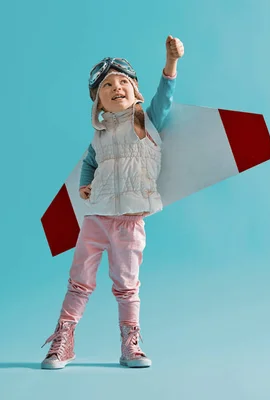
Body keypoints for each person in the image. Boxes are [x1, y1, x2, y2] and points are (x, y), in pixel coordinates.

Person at [41, 35, 185, 369]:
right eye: (107, 85)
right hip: (96, 218)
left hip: (130, 221)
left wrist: (171, 63)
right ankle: (64, 339)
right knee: (79, 280)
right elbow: (90, 162)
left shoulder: (144, 122)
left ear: (135, 91)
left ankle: (129, 343)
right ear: (99, 104)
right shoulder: (100, 134)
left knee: (126, 284)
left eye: (123, 82)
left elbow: (165, 97)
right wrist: (85, 186)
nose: (116, 87)